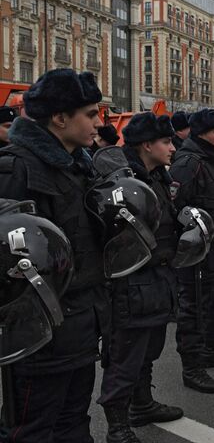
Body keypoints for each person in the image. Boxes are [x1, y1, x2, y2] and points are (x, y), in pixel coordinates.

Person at [0, 69, 109, 442]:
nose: (100, 122)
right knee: (31, 429)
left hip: (81, 323)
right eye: (91, 114)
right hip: (40, 334)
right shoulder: (16, 168)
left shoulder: (80, 165)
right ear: (60, 118)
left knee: (74, 420)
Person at [98, 113, 184, 442]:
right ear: (147, 144)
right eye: (166, 142)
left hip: (159, 278)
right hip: (130, 282)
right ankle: (117, 426)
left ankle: (142, 403)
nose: (173, 148)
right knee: (124, 356)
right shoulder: (121, 182)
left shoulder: (158, 177)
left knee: (148, 350)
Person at [169, 108, 214, 394]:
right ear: (200, 133)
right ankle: (193, 367)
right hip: (199, 251)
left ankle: (209, 350)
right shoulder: (189, 163)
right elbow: (175, 207)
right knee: (195, 310)